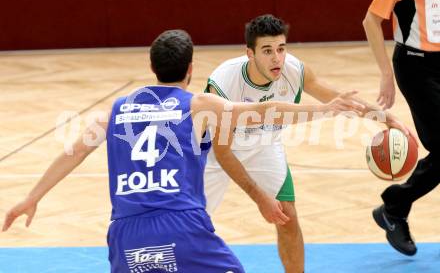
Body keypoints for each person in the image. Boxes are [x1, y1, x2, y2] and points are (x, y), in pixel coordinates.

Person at [1, 30, 364, 272]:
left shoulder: (115, 110)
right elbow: (266, 111)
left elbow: (73, 153)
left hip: (124, 232)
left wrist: (31, 197)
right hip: (182, 225)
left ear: (151, 68)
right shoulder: (199, 105)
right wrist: (326, 109)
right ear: (191, 69)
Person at [204, 14, 413, 272]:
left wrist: (385, 118)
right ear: (250, 53)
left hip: (264, 146)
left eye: (280, 49)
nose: (276, 58)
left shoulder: (294, 70)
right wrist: (259, 197)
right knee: (194, 220)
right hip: (216, 153)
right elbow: (223, 152)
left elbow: (339, 99)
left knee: (287, 217)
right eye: (267, 51)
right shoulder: (224, 81)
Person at [363, 0, 440, 256]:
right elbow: (370, 21)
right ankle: (394, 207)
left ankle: (394, 208)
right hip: (416, 67)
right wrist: (385, 74)